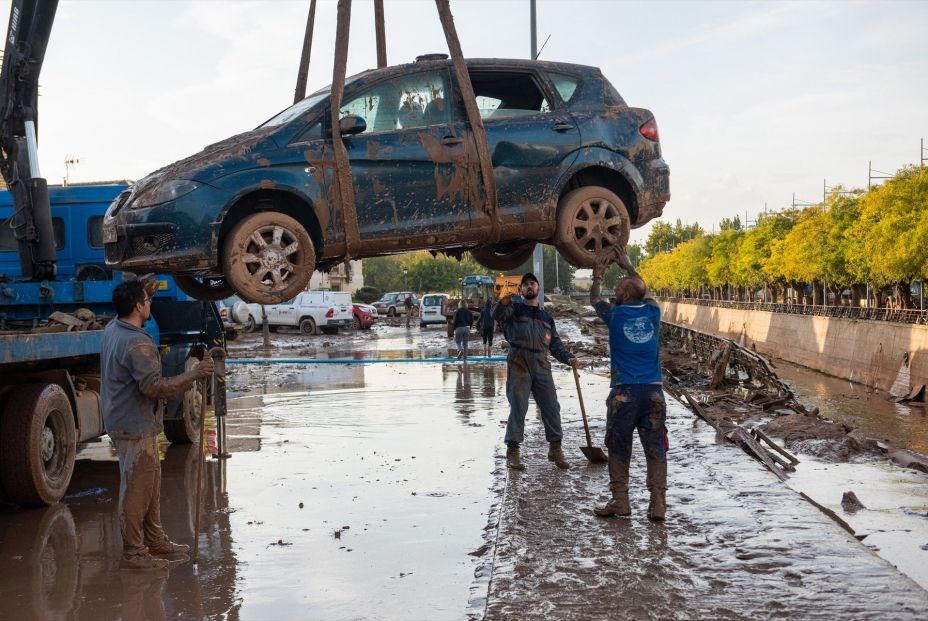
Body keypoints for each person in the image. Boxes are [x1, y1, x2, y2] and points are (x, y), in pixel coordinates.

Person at [101, 279, 214, 569]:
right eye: (147, 300)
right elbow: (155, 387)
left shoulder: (113, 329)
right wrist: (194, 374)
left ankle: (155, 540)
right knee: (137, 489)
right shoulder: (138, 343)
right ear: (138, 307)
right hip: (134, 423)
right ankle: (134, 553)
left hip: (127, 419)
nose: (151, 303)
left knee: (149, 484)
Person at [590, 255, 667, 521]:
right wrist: (628, 266)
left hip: (624, 393)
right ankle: (658, 505)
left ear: (623, 294)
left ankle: (620, 501)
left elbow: (594, 299)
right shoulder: (653, 313)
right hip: (654, 393)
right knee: (655, 448)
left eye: (619, 288)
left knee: (619, 448)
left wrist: (598, 274)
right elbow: (644, 289)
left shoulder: (615, 314)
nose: (616, 291)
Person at [494, 273, 579, 470]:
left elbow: (555, 344)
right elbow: (497, 316)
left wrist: (568, 357)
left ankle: (555, 449)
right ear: (521, 290)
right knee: (519, 406)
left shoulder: (546, 317)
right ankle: (513, 451)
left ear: (538, 289)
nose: (529, 287)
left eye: (532, 284)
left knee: (551, 407)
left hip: (541, 363)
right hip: (519, 361)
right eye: (525, 285)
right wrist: (502, 303)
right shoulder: (513, 310)